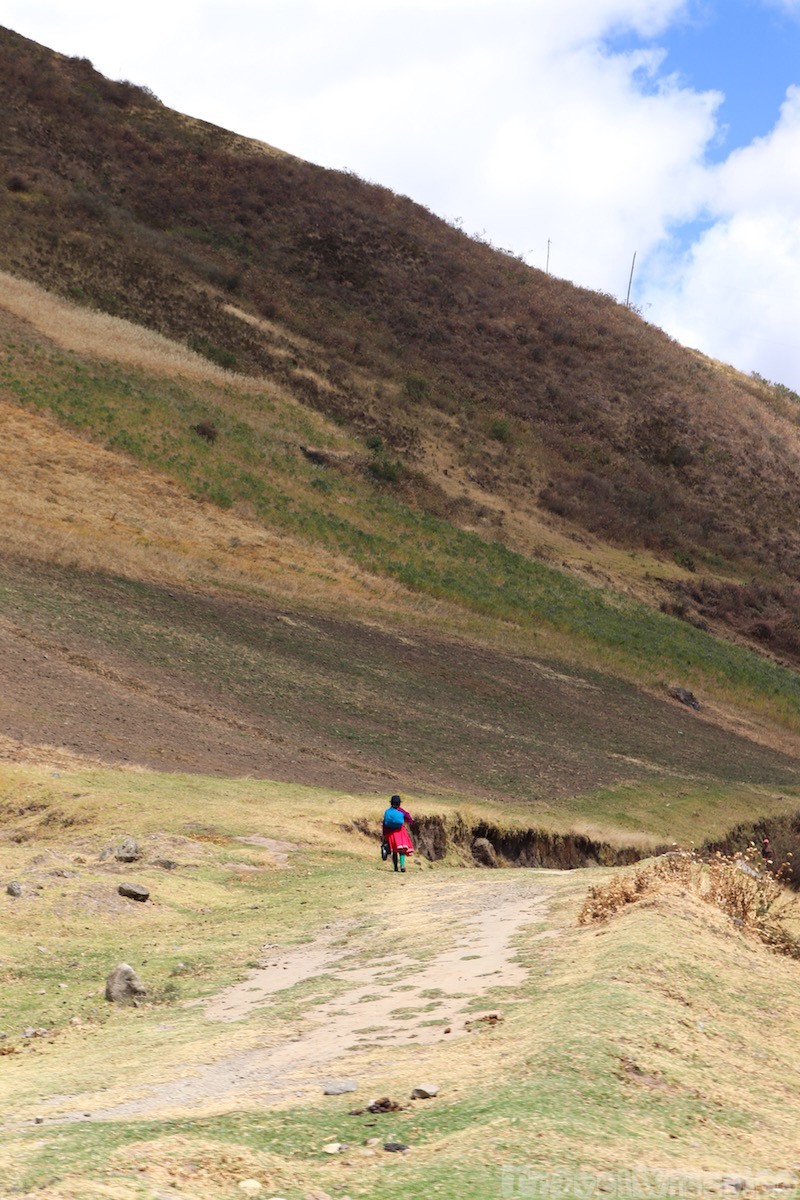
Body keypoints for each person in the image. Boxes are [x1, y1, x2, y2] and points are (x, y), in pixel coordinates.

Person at [382, 794, 414, 873]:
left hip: (391, 834)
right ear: (399, 803)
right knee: (401, 849)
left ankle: (396, 867)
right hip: (400, 832)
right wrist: (411, 822)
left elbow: (385, 823)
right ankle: (402, 865)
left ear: (391, 803)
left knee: (394, 851)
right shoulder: (400, 811)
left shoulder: (388, 812)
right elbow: (408, 818)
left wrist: (385, 835)